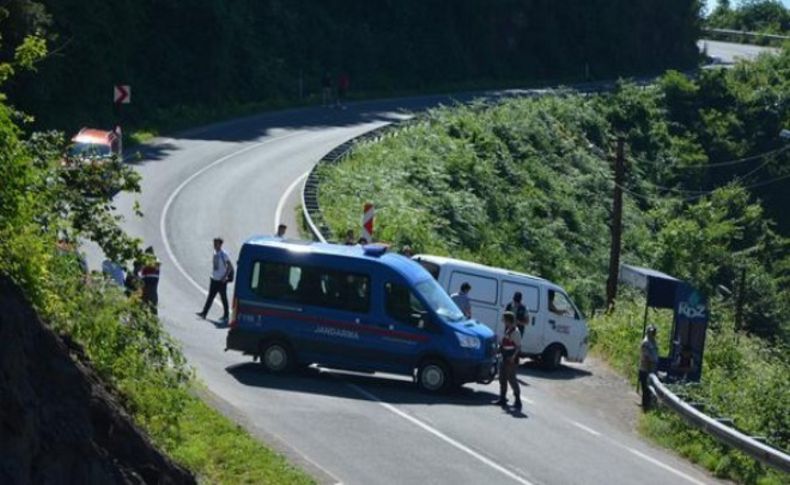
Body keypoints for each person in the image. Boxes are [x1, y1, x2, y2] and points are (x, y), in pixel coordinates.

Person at [197, 237, 233, 322]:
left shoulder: (223, 254)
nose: (214, 245)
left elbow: (230, 267)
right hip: (214, 279)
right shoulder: (215, 253)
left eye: (216, 243)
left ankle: (226, 316)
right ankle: (204, 313)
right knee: (210, 297)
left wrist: (224, 278)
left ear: (220, 244)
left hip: (221, 281)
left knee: (223, 298)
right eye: (214, 243)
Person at [496, 311, 522, 410]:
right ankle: (502, 398)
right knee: (502, 378)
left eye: (504, 319)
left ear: (508, 320)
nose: (503, 321)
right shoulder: (508, 330)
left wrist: (513, 357)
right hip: (504, 356)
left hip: (511, 359)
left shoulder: (515, 332)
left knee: (511, 379)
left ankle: (517, 400)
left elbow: (518, 347)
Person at [639, 325, 659, 410]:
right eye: (651, 332)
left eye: (654, 332)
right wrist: (651, 366)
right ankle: (645, 407)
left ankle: (648, 405)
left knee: (649, 389)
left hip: (652, 369)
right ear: (647, 332)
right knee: (646, 389)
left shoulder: (653, 341)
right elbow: (646, 356)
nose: (653, 333)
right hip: (646, 368)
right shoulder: (646, 342)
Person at [141, 246, 161, 315]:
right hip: (150, 292)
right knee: (149, 311)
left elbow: (147, 279)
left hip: (148, 291)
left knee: (147, 311)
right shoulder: (154, 264)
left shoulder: (153, 264)